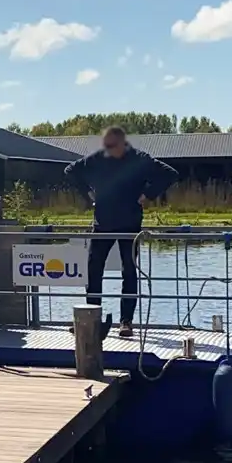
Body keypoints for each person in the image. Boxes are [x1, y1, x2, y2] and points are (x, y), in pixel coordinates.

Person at [64, 126, 179, 338]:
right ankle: (91, 318)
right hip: (103, 223)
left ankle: (126, 322)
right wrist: (87, 193)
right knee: (93, 270)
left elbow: (170, 174)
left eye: (111, 145)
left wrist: (149, 194)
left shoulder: (140, 159)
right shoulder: (98, 158)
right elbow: (71, 170)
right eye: (105, 145)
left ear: (123, 143)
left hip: (129, 223)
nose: (107, 149)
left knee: (129, 271)